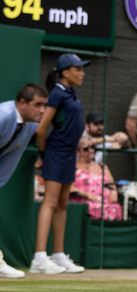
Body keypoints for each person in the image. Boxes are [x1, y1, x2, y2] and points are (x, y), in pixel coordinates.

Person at [33, 54, 90, 275]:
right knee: (50, 201)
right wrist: (43, 153)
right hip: (55, 152)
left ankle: (58, 254)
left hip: (68, 155)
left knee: (63, 204)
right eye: (78, 69)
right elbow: (41, 129)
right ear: (66, 72)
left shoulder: (70, 93)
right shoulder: (57, 93)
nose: (82, 73)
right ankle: (39, 257)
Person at [0, 84, 48, 279]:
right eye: (37, 105)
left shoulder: (30, 126)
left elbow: (12, 157)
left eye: (44, 105)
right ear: (21, 103)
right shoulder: (3, 116)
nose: (42, 110)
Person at [72, 138, 122, 221]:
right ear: (78, 151)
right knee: (94, 207)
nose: (90, 150)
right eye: (86, 149)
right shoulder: (73, 167)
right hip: (83, 200)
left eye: (92, 147)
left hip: (105, 201)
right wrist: (88, 195)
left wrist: (113, 192)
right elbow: (70, 188)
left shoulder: (102, 166)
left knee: (116, 207)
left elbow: (111, 184)